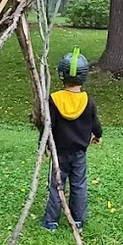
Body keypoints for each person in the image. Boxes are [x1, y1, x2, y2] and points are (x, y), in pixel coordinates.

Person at [42, 47, 102, 231]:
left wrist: (43, 145)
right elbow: (95, 124)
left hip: (58, 152)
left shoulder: (53, 99)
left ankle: (51, 221)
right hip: (79, 154)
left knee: (55, 186)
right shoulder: (87, 100)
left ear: (62, 74)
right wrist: (97, 135)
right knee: (79, 185)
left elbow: (48, 125)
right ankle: (78, 220)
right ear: (84, 76)